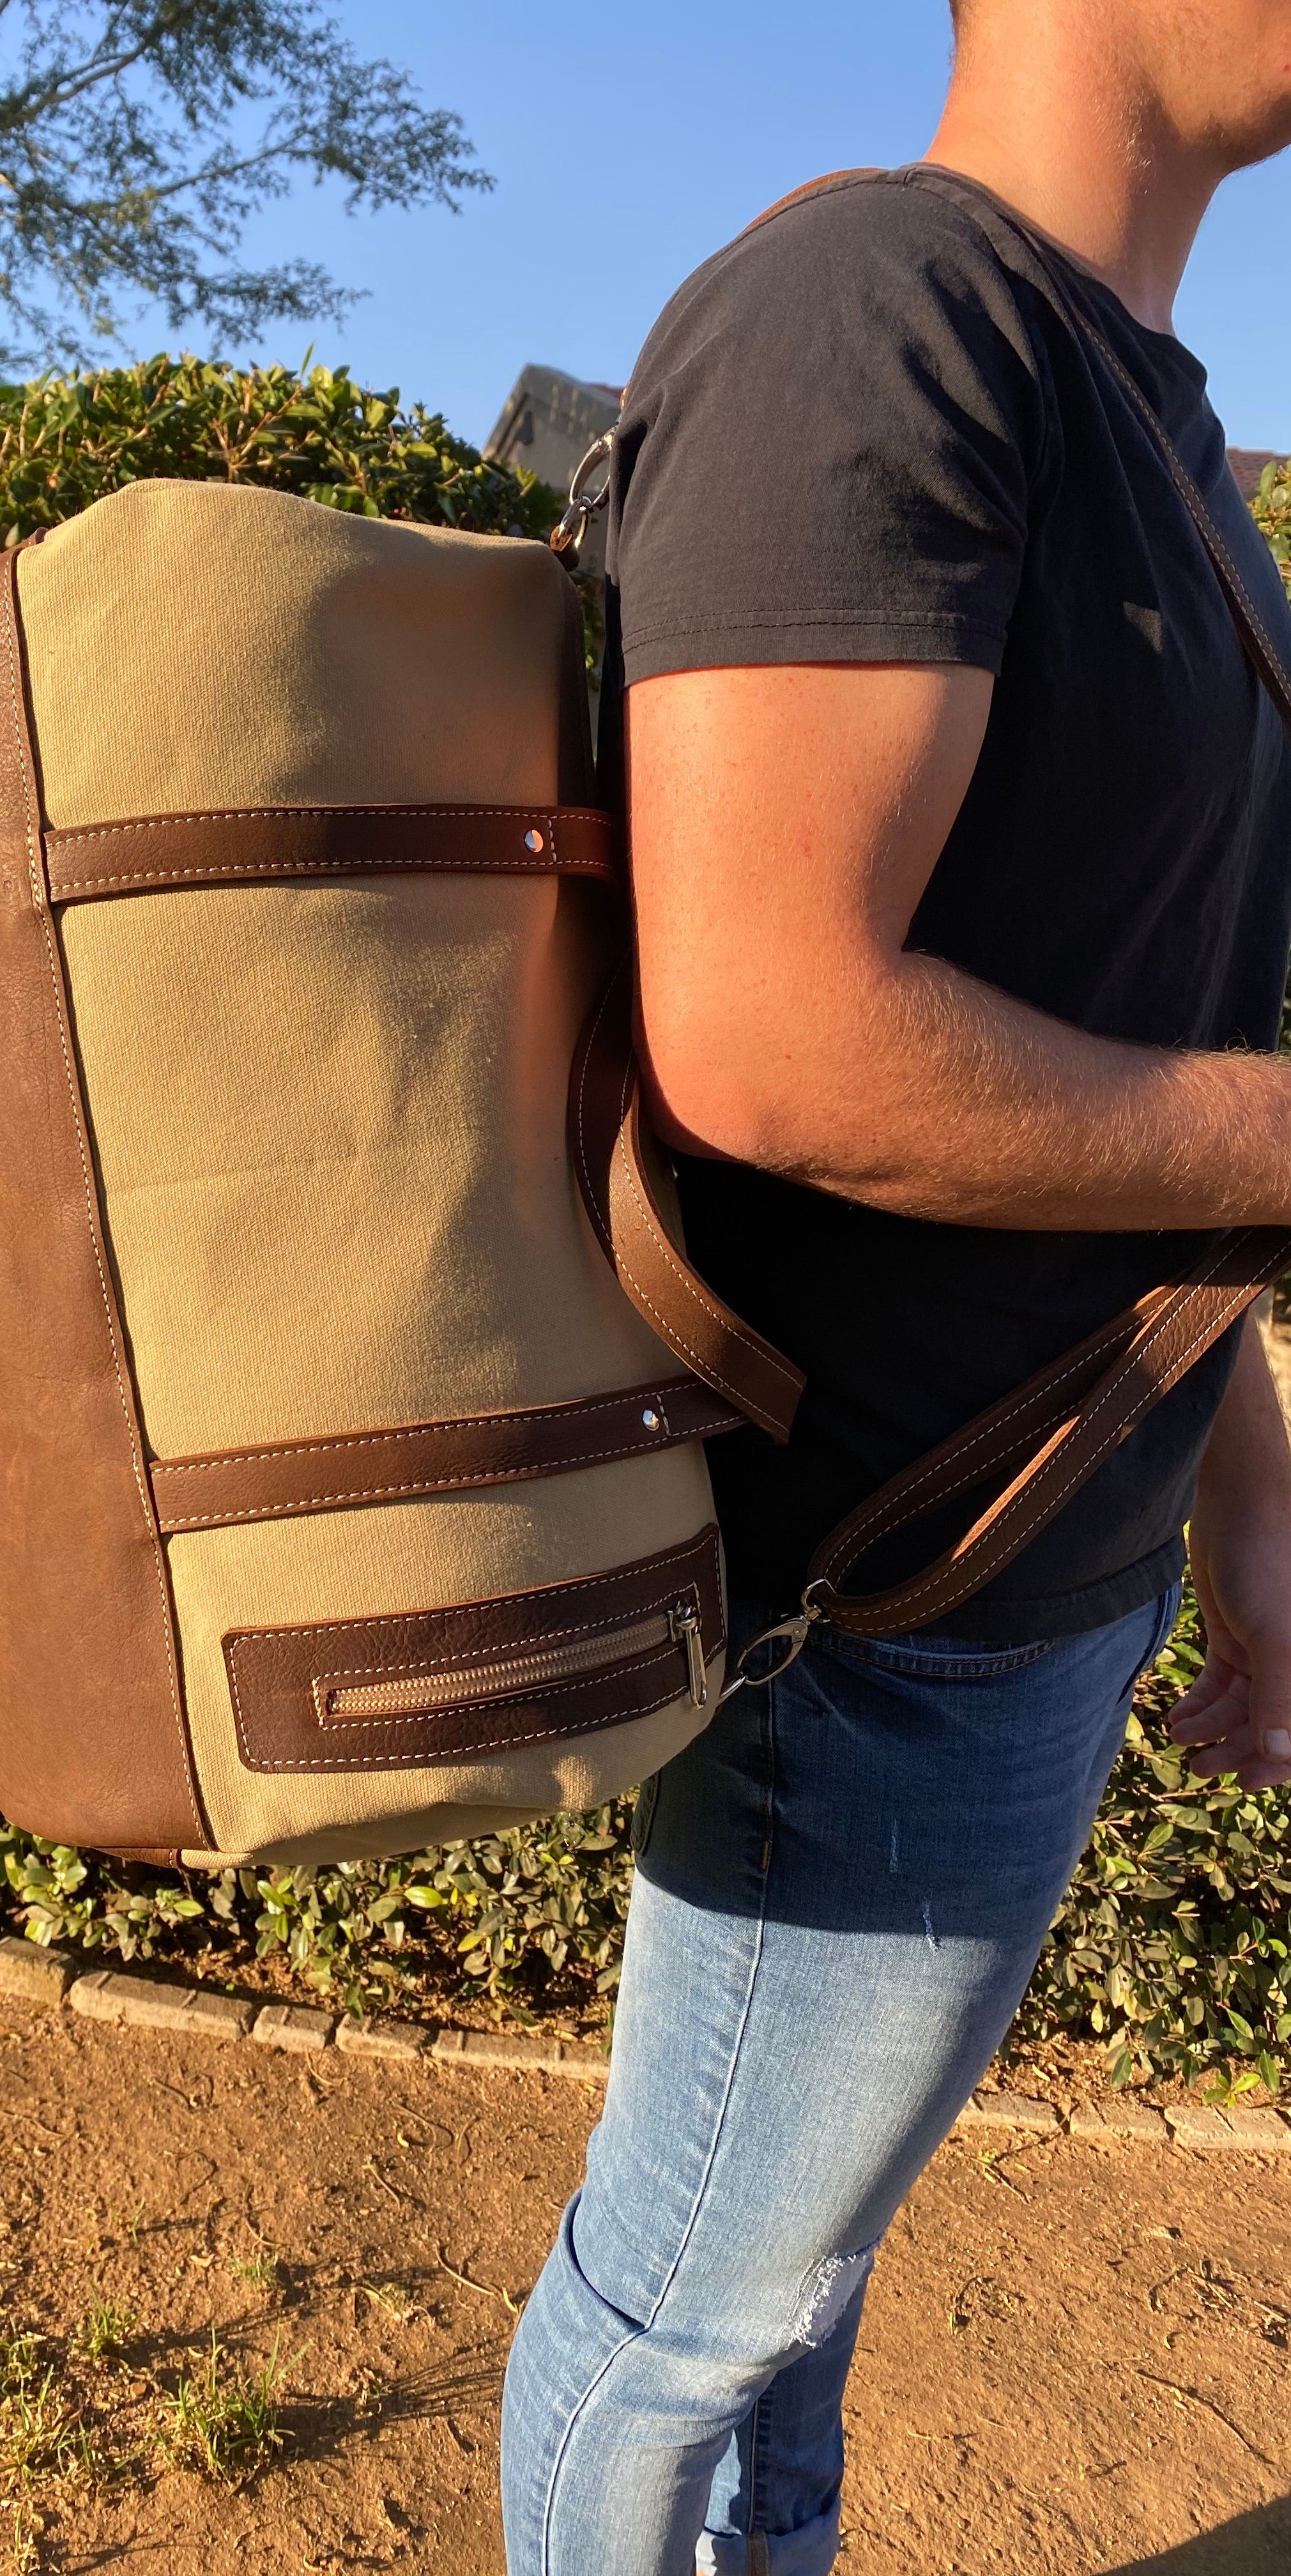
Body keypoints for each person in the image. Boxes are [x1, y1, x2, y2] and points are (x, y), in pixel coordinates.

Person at [500, 3, 1291, 2570]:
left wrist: (1242, 1493)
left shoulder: (1159, 428)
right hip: (890, 1603)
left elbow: (1157, 1052)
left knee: (783, 2290)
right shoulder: (883, 309)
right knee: (691, 2311)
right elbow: (774, 1036)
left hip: (1033, 1571)